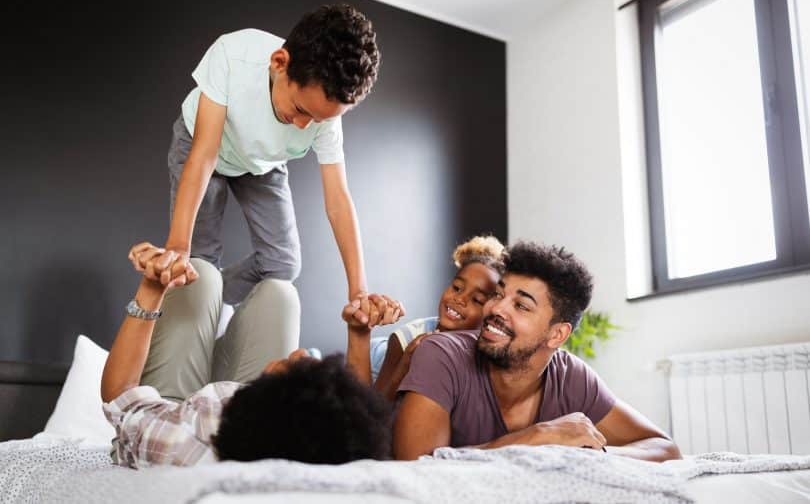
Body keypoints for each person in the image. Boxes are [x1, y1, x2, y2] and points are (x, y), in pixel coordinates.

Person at [129, 4, 380, 316]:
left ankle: (211, 301)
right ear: (279, 63)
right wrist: (179, 247)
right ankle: (198, 296)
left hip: (261, 162)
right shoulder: (234, 54)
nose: (305, 127)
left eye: (318, 120)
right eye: (302, 110)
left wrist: (358, 290)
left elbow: (338, 200)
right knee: (198, 262)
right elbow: (205, 155)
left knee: (284, 264)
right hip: (204, 145)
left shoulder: (324, 114)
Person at [101, 247, 399, 468]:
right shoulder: (323, 447)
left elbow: (122, 399)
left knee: (202, 278)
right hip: (258, 431)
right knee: (280, 293)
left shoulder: (187, 438)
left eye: (296, 367)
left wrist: (151, 290)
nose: (299, 352)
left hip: (176, 412)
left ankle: (210, 309)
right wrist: (359, 332)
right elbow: (352, 421)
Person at [393, 241, 682, 462]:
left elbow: (664, 447)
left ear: (557, 334)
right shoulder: (441, 355)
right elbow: (416, 466)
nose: (495, 309)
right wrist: (537, 437)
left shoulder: (572, 377)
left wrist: (588, 455)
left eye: (521, 306)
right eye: (498, 294)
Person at [370, 235, 504, 400]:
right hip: (376, 362)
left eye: (477, 300)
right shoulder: (404, 340)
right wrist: (404, 366)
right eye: (457, 288)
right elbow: (376, 408)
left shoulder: (488, 352)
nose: (460, 299)